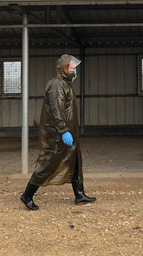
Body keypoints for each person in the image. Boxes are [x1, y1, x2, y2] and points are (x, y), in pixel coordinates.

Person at [20, 54, 96, 210]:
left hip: (68, 132)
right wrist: (63, 130)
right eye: (72, 68)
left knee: (75, 161)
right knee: (48, 163)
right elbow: (56, 110)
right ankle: (27, 195)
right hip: (57, 135)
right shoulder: (57, 85)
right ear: (64, 68)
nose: (75, 71)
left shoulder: (65, 84)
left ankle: (79, 194)